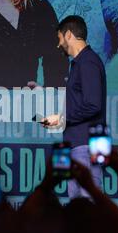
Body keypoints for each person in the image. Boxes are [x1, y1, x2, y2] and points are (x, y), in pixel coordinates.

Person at [43, 15, 106, 199]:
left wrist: (61, 118)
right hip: (79, 143)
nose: (58, 44)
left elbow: (93, 105)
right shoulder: (81, 63)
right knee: (78, 205)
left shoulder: (88, 62)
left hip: (85, 144)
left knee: (87, 205)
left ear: (69, 35)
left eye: (59, 38)